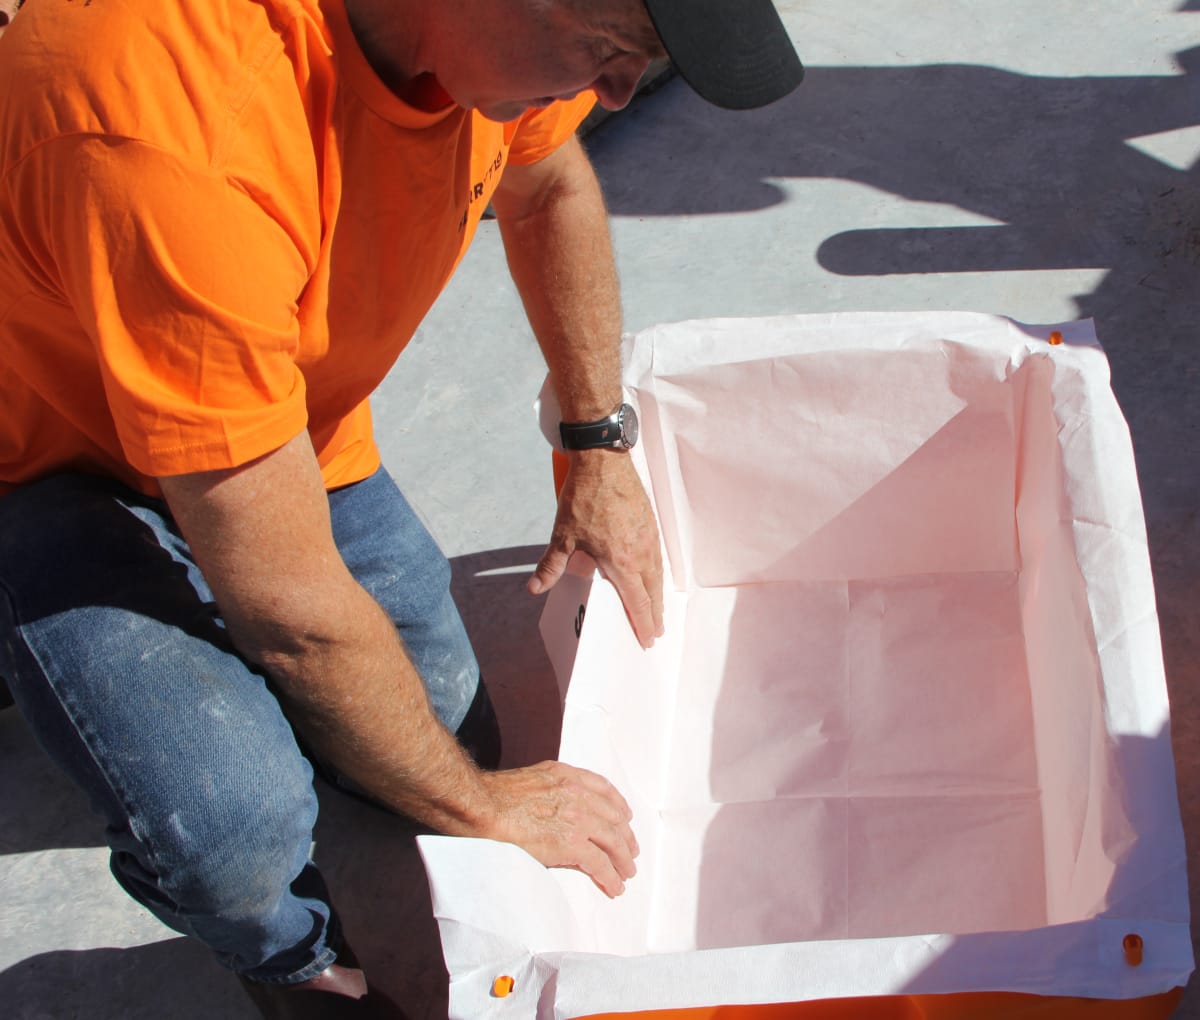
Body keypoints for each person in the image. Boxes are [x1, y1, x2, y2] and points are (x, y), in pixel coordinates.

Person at [0, 0, 802, 1015]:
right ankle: (292, 958)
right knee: (230, 832)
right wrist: (476, 808)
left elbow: (550, 187)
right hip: (54, 468)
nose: (615, 94)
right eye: (608, 52)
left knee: (441, 720)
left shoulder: (489, 53)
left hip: (283, 424)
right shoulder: (180, 133)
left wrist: (598, 444)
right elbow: (289, 608)